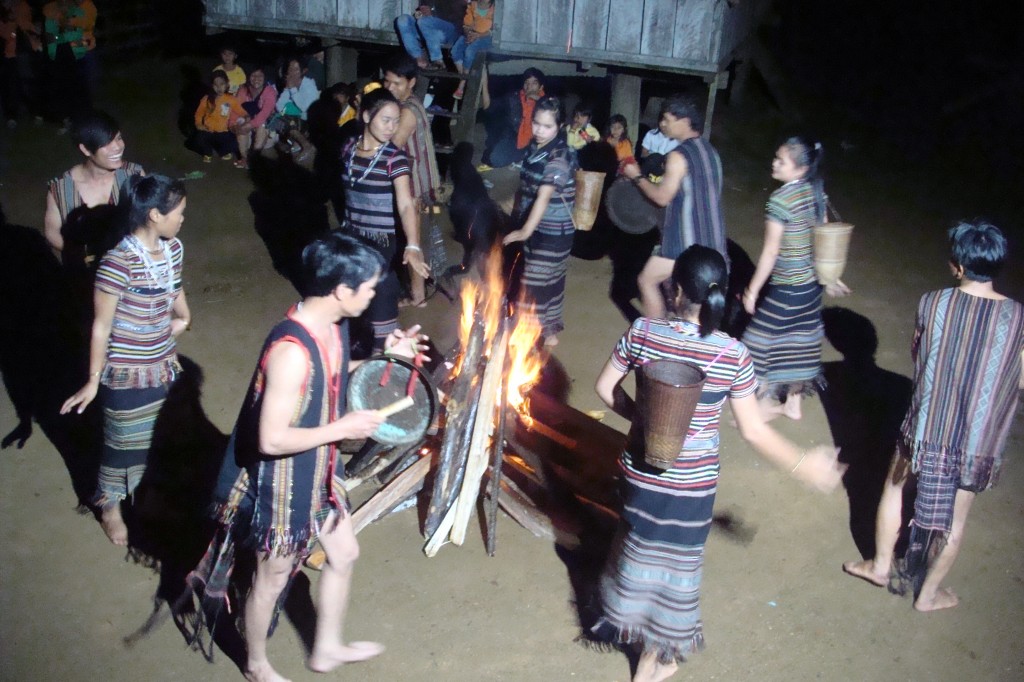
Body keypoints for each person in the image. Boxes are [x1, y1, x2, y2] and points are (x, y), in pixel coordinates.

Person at [593, 244, 845, 682]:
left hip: (640, 476)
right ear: (721, 295)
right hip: (690, 489)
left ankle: (639, 637)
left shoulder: (643, 333)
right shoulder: (732, 355)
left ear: (675, 292)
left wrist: (643, 419)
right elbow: (754, 431)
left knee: (639, 549)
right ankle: (653, 661)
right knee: (674, 569)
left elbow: (604, 389)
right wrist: (804, 465)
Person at [185, 233, 426, 681]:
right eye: (369, 287)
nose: (375, 295)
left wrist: (387, 359)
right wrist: (343, 429)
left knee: (344, 553)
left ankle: (327, 648)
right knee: (272, 578)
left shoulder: (331, 324)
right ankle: (256, 665)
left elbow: (330, 372)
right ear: (341, 290)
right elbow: (271, 440)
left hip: (318, 466)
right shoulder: (290, 353)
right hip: (283, 480)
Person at [843, 221, 1024, 612]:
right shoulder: (1017, 317)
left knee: (894, 490)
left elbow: (918, 353)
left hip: (925, 430)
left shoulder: (933, 303)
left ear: (958, 266)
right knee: (955, 519)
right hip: (977, 440)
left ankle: (879, 567)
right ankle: (927, 596)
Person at [60, 174, 191, 546]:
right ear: (154, 215)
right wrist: (93, 380)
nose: (182, 219)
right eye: (178, 213)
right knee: (122, 446)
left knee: (159, 438)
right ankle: (110, 507)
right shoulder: (117, 263)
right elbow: (101, 326)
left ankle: (148, 495)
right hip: (126, 374)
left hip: (162, 365)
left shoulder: (173, 249)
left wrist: (182, 319)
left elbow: (175, 289)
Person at [741, 137, 849, 421]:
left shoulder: (780, 200)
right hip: (812, 286)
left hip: (789, 286)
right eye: (776, 157)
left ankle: (759, 406)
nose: (774, 163)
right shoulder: (816, 192)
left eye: (782, 161)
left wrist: (752, 290)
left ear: (800, 169)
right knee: (800, 341)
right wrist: (829, 278)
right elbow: (823, 238)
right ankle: (792, 403)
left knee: (757, 341)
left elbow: (771, 251)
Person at [340, 88, 431, 352]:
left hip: (381, 242)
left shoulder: (394, 157)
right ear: (367, 116)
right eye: (386, 120)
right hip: (352, 237)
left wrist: (412, 245)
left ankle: (383, 352)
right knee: (352, 304)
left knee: (380, 291)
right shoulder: (348, 149)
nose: (392, 128)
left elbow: (405, 203)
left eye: (396, 121)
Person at [622, 95, 727, 319]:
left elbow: (662, 197)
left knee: (647, 280)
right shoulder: (711, 151)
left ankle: (657, 333)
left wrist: (636, 176)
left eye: (667, 120)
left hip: (687, 246)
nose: (662, 124)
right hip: (715, 246)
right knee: (690, 304)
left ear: (684, 121)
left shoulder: (678, 156)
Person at [502, 95, 577, 347]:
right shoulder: (535, 149)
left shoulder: (560, 155)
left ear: (561, 126)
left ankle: (522, 340)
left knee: (533, 284)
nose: (539, 130)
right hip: (536, 226)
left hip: (554, 232)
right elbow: (527, 188)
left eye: (547, 126)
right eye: (536, 123)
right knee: (550, 282)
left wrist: (524, 230)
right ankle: (549, 331)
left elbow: (544, 194)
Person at [44, 110, 145, 259]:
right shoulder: (61, 187)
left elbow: (148, 217)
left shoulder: (133, 174)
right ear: (85, 149)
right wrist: (87, 253)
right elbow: (52, 232)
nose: (117, 147)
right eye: (106, 143)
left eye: (118, 138)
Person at [383, 53, 441, 308]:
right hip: (420, 182)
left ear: (411, 82)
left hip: (414, 186)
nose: (390, 87)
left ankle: (418, 296)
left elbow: (391, 147)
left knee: (413, 241)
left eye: (396, 83)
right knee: (417, 238)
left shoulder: (408, 111)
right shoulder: (407, 104)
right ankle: (420, 291)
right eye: (387, 82)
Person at [42, 0, 97, 129]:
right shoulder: (51, 11)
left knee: (79, 86)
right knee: (65, 88)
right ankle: (69, 118)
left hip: (72, 56)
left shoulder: (73, 11)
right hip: (60, 57)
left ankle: (83, 116)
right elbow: (50, 37)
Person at [482, 67, 545, 169]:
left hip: (540, 141)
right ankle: (522, 155)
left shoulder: (548, 101)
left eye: (534, 83)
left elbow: (557, 116)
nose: (529, 86)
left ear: (541, 87)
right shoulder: (514, 97)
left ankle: (525, 156)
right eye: (527, 83)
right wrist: (484, 83)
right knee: (495, 159)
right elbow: (488, 107)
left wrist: (539, 100)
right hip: (517, 140)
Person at [187, 69, 245, 162]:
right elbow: (199, 113)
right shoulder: (206, 99)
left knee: (235, 143)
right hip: (208, 130)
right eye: (216, 85)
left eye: (222, 84)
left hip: (223, 131)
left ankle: (222, 151)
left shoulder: (231, 99)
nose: (219, 88)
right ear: (212, 85)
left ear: (227, 84)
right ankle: (208, 152)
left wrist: (248, 117)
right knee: (196, 140)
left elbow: (241, 111)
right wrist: (198, 124)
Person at [1, 0, 40, 128]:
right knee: (10, 85)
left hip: (24, 52)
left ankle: (35, 111)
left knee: (27, 82)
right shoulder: (3, 11)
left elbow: (29, 26)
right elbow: (7, 34)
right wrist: (12, 22)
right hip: (9, 55)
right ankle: (12, 115)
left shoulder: (23, 5)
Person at [231, 65, 277, 169]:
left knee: (262, 125)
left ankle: (255, 158)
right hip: (249, 130)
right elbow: (235, 109)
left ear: (265, 77)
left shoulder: (270, 91)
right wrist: (233, 125)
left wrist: (249, 125)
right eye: (253, 75)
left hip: (266, 132)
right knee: (240, 125)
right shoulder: (243, 89)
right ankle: (244, 158)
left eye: (260, 75)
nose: (256, 78)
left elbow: (265, 113)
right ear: (248, 77)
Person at [395, 1, 463, 70]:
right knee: (403, 19)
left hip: (451, 31)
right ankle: (418, 58)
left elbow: (461, 14)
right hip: (429, 30)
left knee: (424, 21)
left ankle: (437, 61)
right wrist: (419, 14)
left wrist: (432, 13)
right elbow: (420, 14)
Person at [451, 0, 494, 99]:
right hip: (472, 34)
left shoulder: (496, 7)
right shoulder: (473, 5)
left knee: (469, 51)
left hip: (486, 37)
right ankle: (465, 76)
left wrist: (478, 35)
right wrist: (469, 34)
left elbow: (495, 30)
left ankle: (462, 84)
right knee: (455, 51)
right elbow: (466, 24)